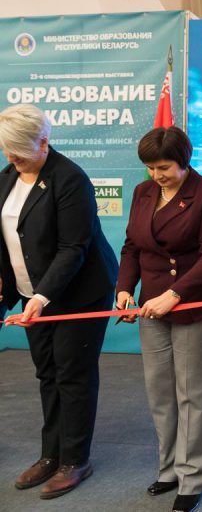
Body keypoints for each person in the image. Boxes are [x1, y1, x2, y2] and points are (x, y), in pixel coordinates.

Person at [0, 104, 118, 499]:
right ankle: (50, 454)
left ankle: (75, 460)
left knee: (73, 374)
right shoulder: (7, 177)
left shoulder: (70, 180)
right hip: (31, 292)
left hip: (79, 294)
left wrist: (42, 296)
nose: (11, 156)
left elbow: (73, 248)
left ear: (43, 142)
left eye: (19, 149)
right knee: (47, 373)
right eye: (6, 149)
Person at [116, 126, 202, 512]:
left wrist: (175, 294)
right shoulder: (142, 192)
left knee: (191, 393)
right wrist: (124, 289)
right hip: (151, 305)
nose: (156, 175)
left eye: (163, 167)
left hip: (195, 304)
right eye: (150, 168)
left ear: (184, 161)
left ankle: (192, 476)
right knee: (161, 392)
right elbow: (131, 247)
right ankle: (168, 469)